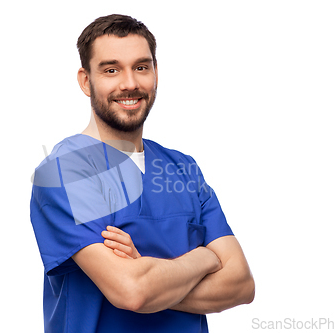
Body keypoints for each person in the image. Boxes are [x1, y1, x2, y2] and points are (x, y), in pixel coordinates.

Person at [30, 14, 254, 333]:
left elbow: (242, 285)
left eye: (141, 67)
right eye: (111, 70)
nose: (130, 83)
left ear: (155, 73)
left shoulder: (183, 169)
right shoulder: (65, 172)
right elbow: (132, 292)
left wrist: (153, 279)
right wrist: (204, 258)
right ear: (85, 80)